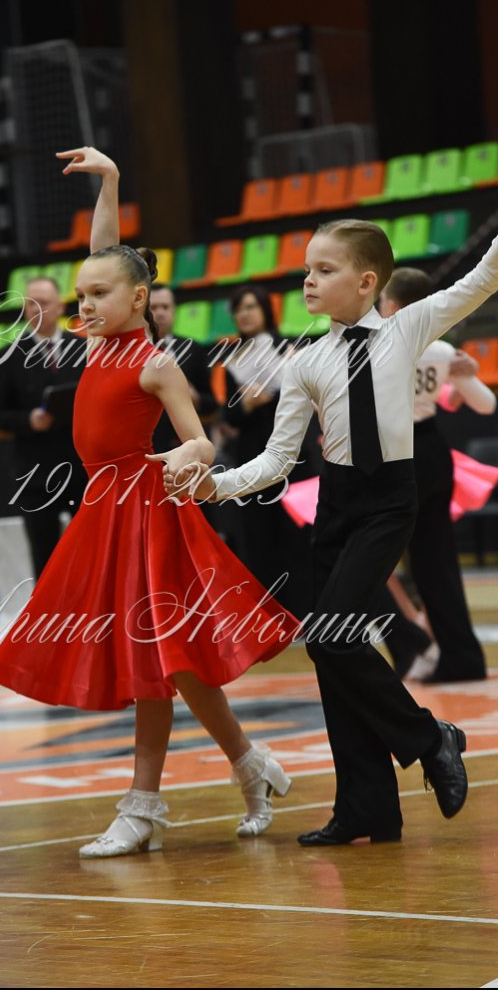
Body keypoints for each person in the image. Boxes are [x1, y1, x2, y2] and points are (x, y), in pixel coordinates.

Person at [0, 146, 299, 858]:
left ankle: (144, 805)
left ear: (137, 300)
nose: (85, 304)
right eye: (81, 295)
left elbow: (202, 441)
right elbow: (106, 254)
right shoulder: (95, 344)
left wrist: (188, 454)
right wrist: (112, 181)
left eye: (99, 295)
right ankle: (252, 765)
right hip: (106, 513)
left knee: (157, 657)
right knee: (174, 664)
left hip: (148, 515)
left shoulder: (153, 362)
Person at [170, 218, 498, 845]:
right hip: (335, 508)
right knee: (330, 653)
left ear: (367, 281)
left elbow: (483, 278)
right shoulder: (306, 362)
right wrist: (216, 485)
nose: (308, 281)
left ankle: (431, 737)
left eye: (325, 270)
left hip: (388, 503)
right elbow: (277, 458)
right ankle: (366, 809)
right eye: (307, 270)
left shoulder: (408, 328)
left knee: (329, 637)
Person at [376, 267, 496, 682]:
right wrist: (462, 376)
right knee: (438, 562)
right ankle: (462, 658)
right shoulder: (442, 350)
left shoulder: (381, 345)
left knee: (372, 557)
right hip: (434, 451)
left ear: (392, 305)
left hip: (397, 455)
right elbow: (486, 406)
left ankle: (414, 644)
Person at [218, 283, 320, 617]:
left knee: (298, 534)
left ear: (265, 309)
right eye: (239, 309)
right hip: (252, 456)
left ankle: (305, 613)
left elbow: (308, 398)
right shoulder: (233, 359)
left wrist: (272, 396)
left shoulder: (290, 348)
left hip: (294, 455)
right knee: (258, 536)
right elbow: (228, 415)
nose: (245, 314)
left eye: (251, 306)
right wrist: (246, 404)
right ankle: (270, 617)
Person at [0, 276, 87, 577]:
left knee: (92, 549)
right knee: (45, 557)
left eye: (43, 302)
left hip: (81, 468)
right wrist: (28, 420)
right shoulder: (8, 355)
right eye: (30, 304)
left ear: (60, 307)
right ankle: (48, 610)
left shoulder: (84, 349)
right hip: (35, 474)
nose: (36, 309)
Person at [149, 285, 218, 455]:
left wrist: (196, 398)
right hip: (147, 444)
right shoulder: (133, 351)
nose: (160, 313)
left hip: (185, 447)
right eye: (154, 307)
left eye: (165, 307)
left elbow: (212, 403)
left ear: (174, 310)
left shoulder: (194, 349)